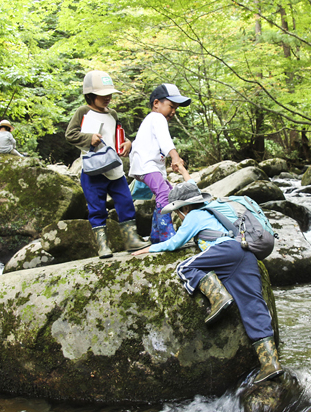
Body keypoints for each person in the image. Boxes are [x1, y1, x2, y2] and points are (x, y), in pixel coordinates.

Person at [132, 164, 283, 384]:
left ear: (183, 209)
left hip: (226, 250)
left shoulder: (194, 215)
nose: (178, 216)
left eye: (177, 212)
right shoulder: (213, 210)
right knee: (253, 306)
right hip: (245, 253)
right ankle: (270, 364)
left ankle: (218, 298)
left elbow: (174, 244)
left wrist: (146, 249)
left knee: (185, 267)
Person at [66, 70, 147, 258]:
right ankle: (103, 245)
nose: (108, 98)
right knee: (97, 207)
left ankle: (131, 239)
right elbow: (70, 134)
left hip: (114, 167)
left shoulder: (112, 114)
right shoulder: (83, 112)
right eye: (103, 95)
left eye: (109, 94)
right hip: (93, 169)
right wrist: (89, 138)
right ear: (90, 95)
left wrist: (127, 142)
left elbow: (117, 133)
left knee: (126, 201)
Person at [128, 83, 190, 244]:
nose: (174, 111)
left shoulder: (152, 120)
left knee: (169, 193)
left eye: (176, 108)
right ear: (156, 103)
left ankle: (156, 234)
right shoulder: (157, 117)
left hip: (148, 166)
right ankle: (166, 234)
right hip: (146, 166)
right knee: (164, 194)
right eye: (171, 106)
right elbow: (165, 140)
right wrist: (175, 156)